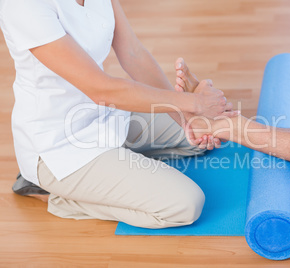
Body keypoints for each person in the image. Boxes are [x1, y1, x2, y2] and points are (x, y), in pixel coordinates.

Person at [0, 0, 238, 229]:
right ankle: (56, 194)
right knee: (185, 205)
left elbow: (133, 54)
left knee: (200, 136)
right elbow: (100, 88)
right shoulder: (24, 5)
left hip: (105, 115)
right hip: (59, 148)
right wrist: (194, 102)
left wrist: (186, 117)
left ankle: (115, 168)